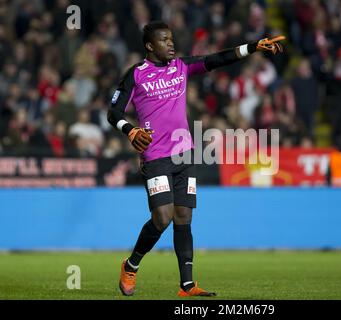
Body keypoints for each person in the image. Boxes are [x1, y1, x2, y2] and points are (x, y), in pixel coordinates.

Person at [107, 21, 284, 297]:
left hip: (185, 153)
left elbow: (218, 59)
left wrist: (253, 47)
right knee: (162, 217)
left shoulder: (182, 66)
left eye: (172, 39)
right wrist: (129, 130)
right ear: (150, 46)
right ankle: (131, 265)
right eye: (164, 40)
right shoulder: (136, 75)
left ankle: (187, 285)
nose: (171, 44)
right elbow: (114, 112)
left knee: (183, 216)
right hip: (155, 156)